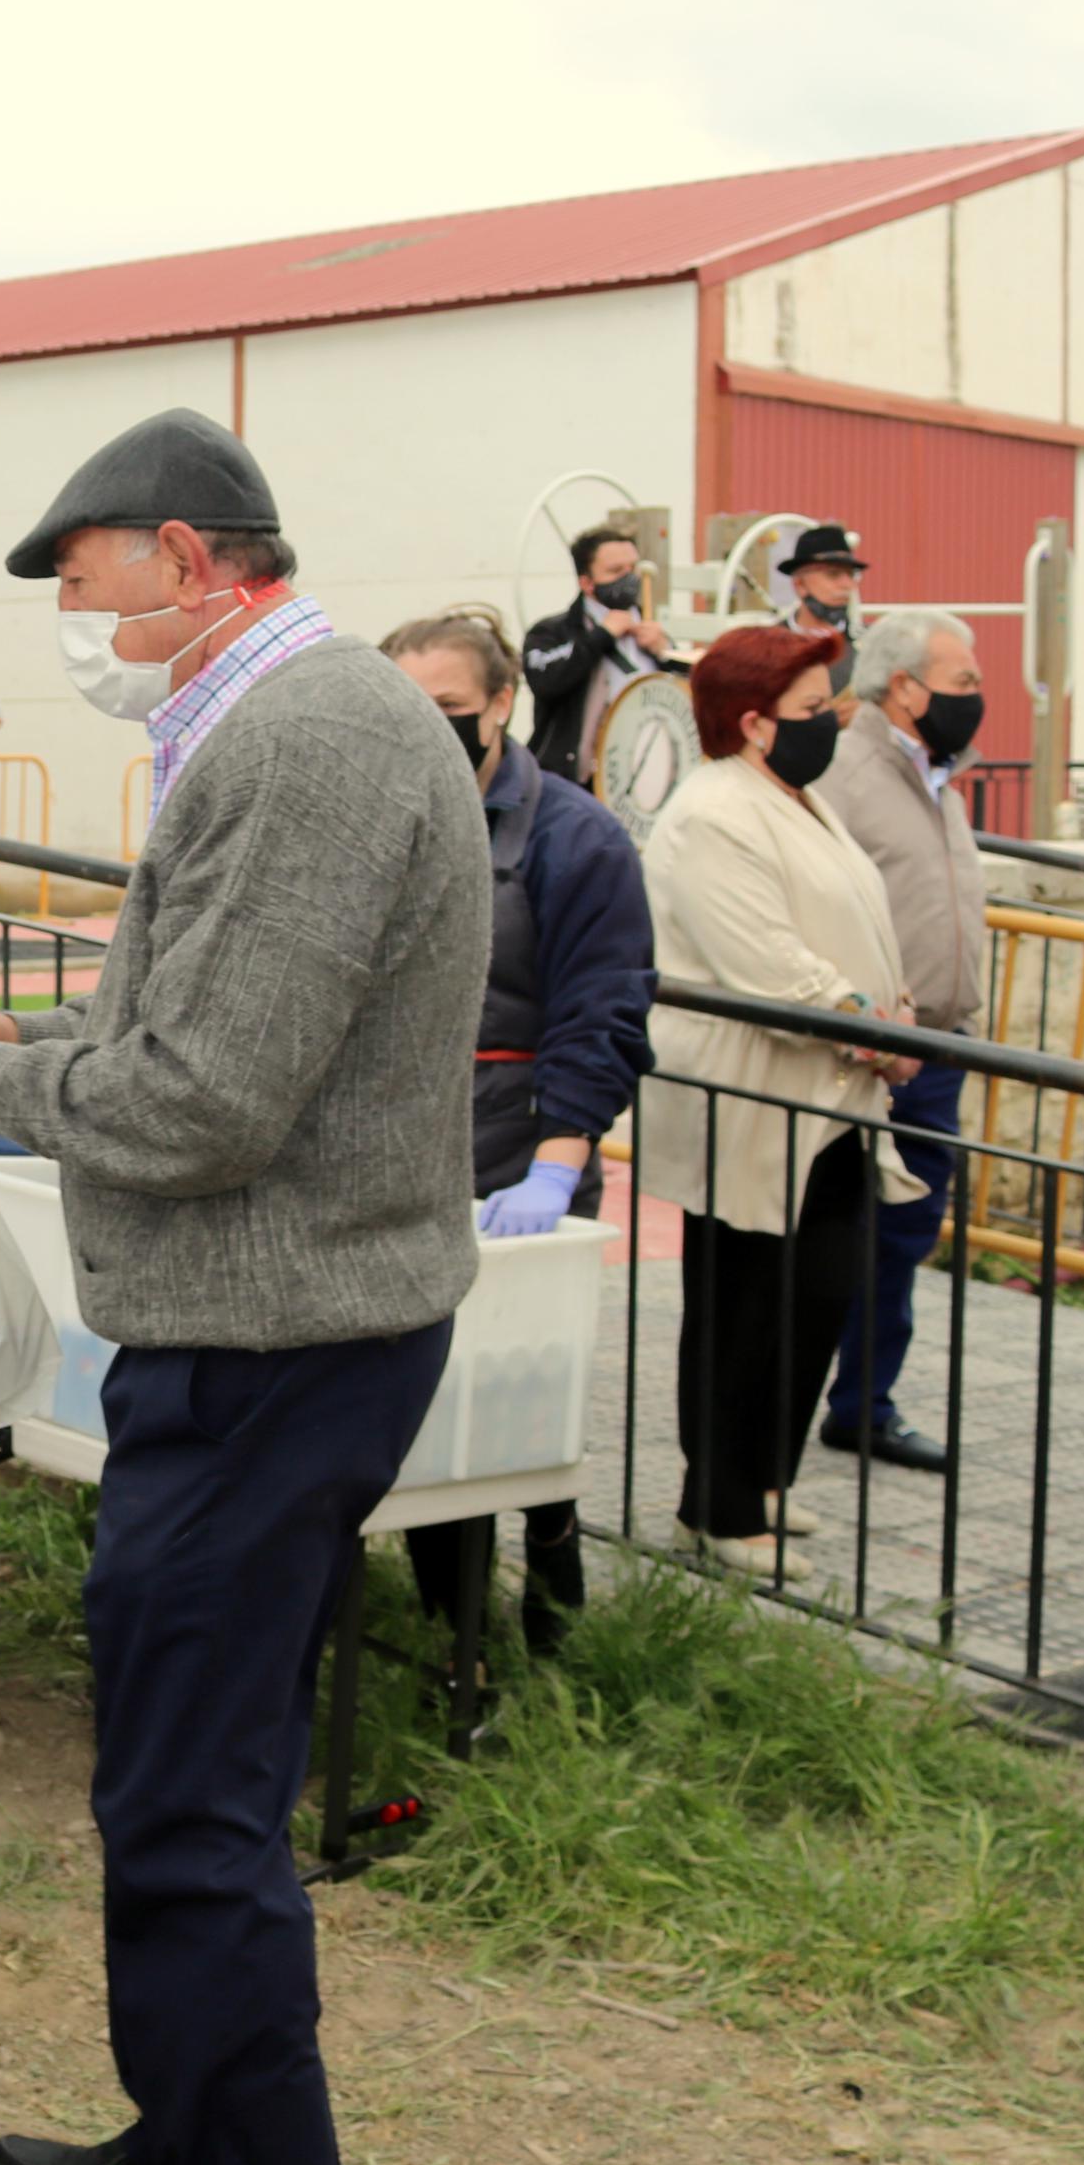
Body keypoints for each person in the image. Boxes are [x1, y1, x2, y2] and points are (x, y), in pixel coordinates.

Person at [0, 408, 483, 2165]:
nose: (67, 611)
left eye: (81, 574)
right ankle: (187, 2140)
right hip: (262, 1332)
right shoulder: (273, 722)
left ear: (191, 561)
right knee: (168, 1772)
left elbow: (207, 1097)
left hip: (273, 1344)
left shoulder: (303, 742)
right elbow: (209, 1015)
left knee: (194, 1809)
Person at [384, 606, 654, 1656]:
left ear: (501, 703)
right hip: (400, 1154)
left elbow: (604, 1007)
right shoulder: (382, 815)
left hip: (518, 1161)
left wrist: (557, 1164)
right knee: (419, 1410)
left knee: (524, 1409)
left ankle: (555, 1638)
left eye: (449, 710)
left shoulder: (575, 838)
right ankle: (449, 1638)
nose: (429, 731)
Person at [633, 624, 929, 1581]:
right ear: (753, 723)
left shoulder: (793, 798)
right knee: (743, 1308)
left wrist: (891, 1011)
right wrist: (871, 1030)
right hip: (753, 1101)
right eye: (811, 711)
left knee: (815, 1298)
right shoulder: (713, 813)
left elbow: (848, 920)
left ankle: (762, 1480)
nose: (831, 723)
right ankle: (713, 1509)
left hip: (833, 1097)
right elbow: (765, 964)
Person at [809, 607, 993, 1477]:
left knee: (907, 1228)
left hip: (939, 1046)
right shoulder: (845, 770)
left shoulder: (936, 772)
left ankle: (863, 1403)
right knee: (842, 1228)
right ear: (905, 688)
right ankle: (804, 1407)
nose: (978, 695)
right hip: (873, 1047)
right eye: (963, 681)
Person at [519, 523, 683, 784]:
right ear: (587, 582)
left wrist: (667, 653)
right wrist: (602, 636)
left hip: (644, 773)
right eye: (615, 571)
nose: (628, 579)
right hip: (578, 781)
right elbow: (545, 681)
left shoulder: (650, 631)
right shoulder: (552, 631)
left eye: (632, 569)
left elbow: (684, 696)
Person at [777, 519, 866, 637]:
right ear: (800, 584)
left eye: (851, 575)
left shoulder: (868, 647)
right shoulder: (769, 647)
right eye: (833, 574)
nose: (847, 584)